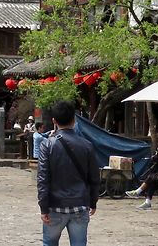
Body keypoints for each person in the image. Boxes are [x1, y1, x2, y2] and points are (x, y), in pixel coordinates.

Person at [37, 100, 101, 246]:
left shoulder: (47, 145)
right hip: (80, 204)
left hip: (55, 206)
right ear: (74, 119)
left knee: (49, 243)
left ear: (54, 121)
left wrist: (43, 207)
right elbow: (94, 178)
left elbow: (43, 179)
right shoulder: (87, 145)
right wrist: (93, 201)